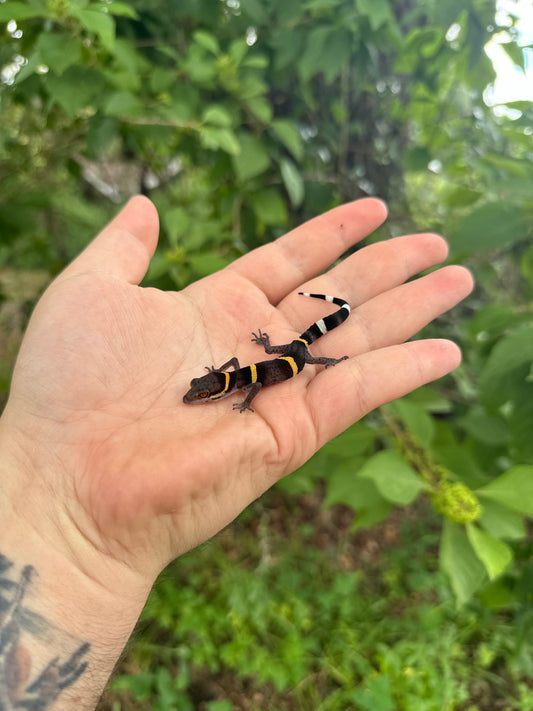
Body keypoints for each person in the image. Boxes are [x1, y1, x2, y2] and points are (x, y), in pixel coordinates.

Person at [0, 195, 473, 709]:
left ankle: (331, 327)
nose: (195, 396)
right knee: (297, 349)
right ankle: (328, 322)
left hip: (295, 358)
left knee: (309, 349)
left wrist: (286, 371)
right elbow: (238, 376)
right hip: (283, 355)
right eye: (199, 392)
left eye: (199, 392)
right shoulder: (227, 378)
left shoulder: (239, 384)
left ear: (213, 387)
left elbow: (250, 384)